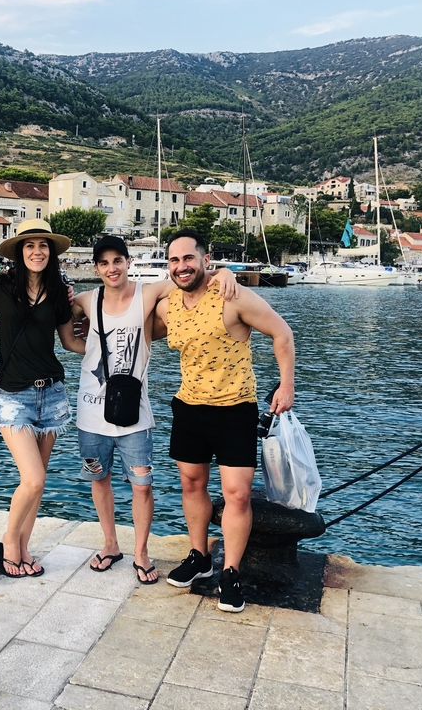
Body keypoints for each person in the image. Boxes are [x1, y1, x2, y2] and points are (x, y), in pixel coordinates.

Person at [69, 236, 237, 585]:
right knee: (99, 479)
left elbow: (189, 276)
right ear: (96, 268)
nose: (111, 268)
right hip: (90, 410)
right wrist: (77, 342)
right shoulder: (86, 300)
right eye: (104, 263)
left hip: (135, 413)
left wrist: (224, 272)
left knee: (142, 485)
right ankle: (111, 544)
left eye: (118, 261)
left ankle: (141, 552)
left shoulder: (148, 294)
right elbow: (63, 326)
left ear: (129, 262)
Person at [155, 229, 295, 613]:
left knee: (236, 494)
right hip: (188, 408)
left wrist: (286, 385)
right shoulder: (168, 305)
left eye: (188, 258)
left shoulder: (232, 296)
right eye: (173, 260)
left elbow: (281, 331)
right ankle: (199, 557)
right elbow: (129, 322)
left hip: (234, 409)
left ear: (204, 259)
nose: (181, 266)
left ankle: (230, 571)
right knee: (191, 483)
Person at [0, 220, 85, 578]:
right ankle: (10, 544)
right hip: (14, 395)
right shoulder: (1, 286)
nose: (37, 251)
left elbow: (70, 342)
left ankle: (24, 548)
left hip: (54, 394)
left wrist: (104, 346)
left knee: (38, 480)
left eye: (43, 245)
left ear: (52, 251)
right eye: (29, 246)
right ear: (19, 252)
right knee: (33, 479)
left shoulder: (60, 292)